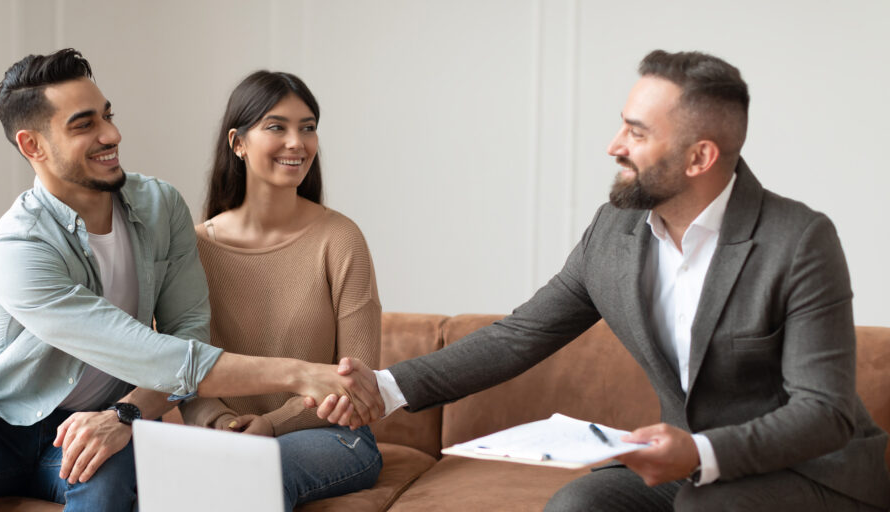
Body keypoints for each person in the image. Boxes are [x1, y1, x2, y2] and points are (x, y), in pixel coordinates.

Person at [318, 49, 890, 511]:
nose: (614, 146)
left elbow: (824, 412)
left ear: (699, 157)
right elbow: (521, 334)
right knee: (579, 505)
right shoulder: (615, 233)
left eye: (637, 134)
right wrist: (384, 389)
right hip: (684, 465)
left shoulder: (798, 240)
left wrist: (698, 452)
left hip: (809, 472)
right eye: (623, 125)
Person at [0, 49, 378, 511]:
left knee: (110, 483)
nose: (111, 134)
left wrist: (126, 414)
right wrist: (298, 374)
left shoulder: (160, 207)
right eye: (84, 124)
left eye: (107, 115)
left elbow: (186, 334)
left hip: (101, 419)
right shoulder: (15, 250)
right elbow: (147, 352)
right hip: (3, 422)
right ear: (32, 144)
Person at [179, 70, 383, 511]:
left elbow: (359, 381)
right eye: (277, 127)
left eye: (307, 128)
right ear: (238, 143)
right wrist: (223, 422)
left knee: (253, 472)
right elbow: (183, 371)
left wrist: (271, 424)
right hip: (225, 440)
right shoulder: (193, 248)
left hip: (333, 437)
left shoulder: (341, 238)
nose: (298, 142)